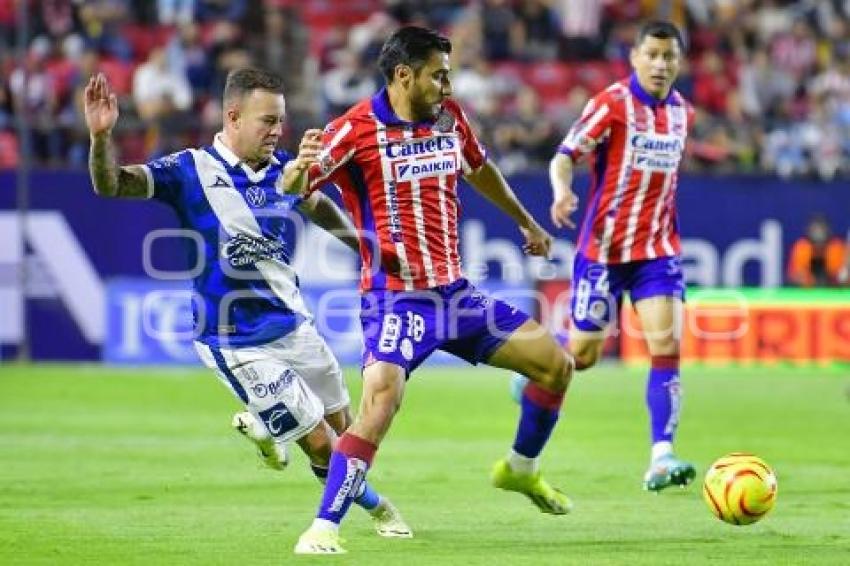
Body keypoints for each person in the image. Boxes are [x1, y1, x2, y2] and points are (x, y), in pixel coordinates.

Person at [83, 68, 411, 537]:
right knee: (322, 446)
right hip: (233, 340)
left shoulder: (283, 172)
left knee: (348, 432)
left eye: (281, 121)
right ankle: (382, 511)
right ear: (233, 117)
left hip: (293, 325)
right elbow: (111, 183)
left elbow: (317, 206)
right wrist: (101, 137)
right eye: (267, 121)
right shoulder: (188, 169)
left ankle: (266, 423)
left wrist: (364, 247)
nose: (278, 131)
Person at [289, 26, 576, 555]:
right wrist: (299, 172)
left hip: (458, 298)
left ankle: (521, 468)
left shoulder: (449, 118)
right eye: (439, 75)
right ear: (404, 75)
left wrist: (528, 224)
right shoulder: (354, 129)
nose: (448, 85)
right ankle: (322, 528)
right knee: (381, 402)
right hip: (395, 298)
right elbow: (296, 189)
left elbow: (480, 169)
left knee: (557, 366)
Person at [514, 21, 697, 492]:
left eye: (669, 57)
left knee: (666, 347)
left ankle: (661, 456)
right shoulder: (612, 104)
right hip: (603, 254)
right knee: (584, 356)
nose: (660, 64)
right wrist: (560, 192)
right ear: (635, 56)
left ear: (679, 62)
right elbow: (564, 154)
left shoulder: (682, 113)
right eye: (652, 54)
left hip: (658, 253)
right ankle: (539, 364)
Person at [786, 215, 846, 287]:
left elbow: (841, 277)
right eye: (815, 230)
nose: (818, 234)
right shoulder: (802, 248)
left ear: (828, 231)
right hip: (806, 293)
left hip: (834, 292)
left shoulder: (836, 248)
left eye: (821, 230)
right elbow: (795, 276)